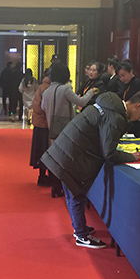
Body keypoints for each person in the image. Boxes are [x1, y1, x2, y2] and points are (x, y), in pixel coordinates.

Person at [41, 91, 140, 248]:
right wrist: (131, 157)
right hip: (72, 156)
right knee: (76, 195)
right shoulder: (116, 117)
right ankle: (81, 235)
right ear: (138, 106)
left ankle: (79, 227)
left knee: (72, 194)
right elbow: (109, 153)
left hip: (65, 150)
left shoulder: (108, 103)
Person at [41, 63, 95, 197]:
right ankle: (64, 187)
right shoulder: (65, 89)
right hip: (65, 128)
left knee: (55, 157)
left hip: (52, 128)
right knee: (66, 159)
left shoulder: (47, 91)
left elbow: (43, 107)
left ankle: (55, 185)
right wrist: (91, 92)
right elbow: (81, 102)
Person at [116, 61, 140, 141]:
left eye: (123, 75)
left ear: (131, 71)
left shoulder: (139, 84)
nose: (122, 79)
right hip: (133, 119)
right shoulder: (126, 85)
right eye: (120, 77)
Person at [29, 74, 51, 186]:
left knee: (40, 150)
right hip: (44, 123)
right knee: (45, 149)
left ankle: (42, 176)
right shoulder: (48, 89)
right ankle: (44, 177)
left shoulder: (42, 86)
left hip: (39, 122)